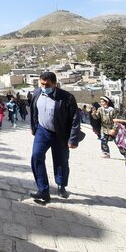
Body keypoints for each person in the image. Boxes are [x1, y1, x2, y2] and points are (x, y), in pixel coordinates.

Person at [28, 72, 82, 203]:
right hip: (42, 131)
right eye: (42, 84)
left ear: (54, 84)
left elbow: (75, 118)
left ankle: (61, 185)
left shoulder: (67, 97)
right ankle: (43, 189)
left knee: (61, 161)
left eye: (47, 84)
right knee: (36, 156)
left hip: (60, 133)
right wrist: (33, 127)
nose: (44, 86)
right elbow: (33, 110)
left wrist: (73, 138)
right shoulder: (37, 93)